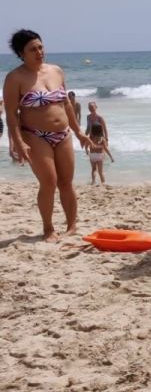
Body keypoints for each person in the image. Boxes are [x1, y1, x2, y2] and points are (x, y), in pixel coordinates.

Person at [3, 29, 91, 241]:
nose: (39, 52)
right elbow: (11, 115)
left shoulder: (57, 71)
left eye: (41, 47)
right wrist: (18, 142)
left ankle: (71, 225)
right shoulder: (15, 78)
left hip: (63, 134)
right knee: (49, 182)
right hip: (35, 135)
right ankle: (49, 228)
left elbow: (66, 103)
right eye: (33, 49)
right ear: (21, 53)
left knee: (66, 182)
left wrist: (79, 132)